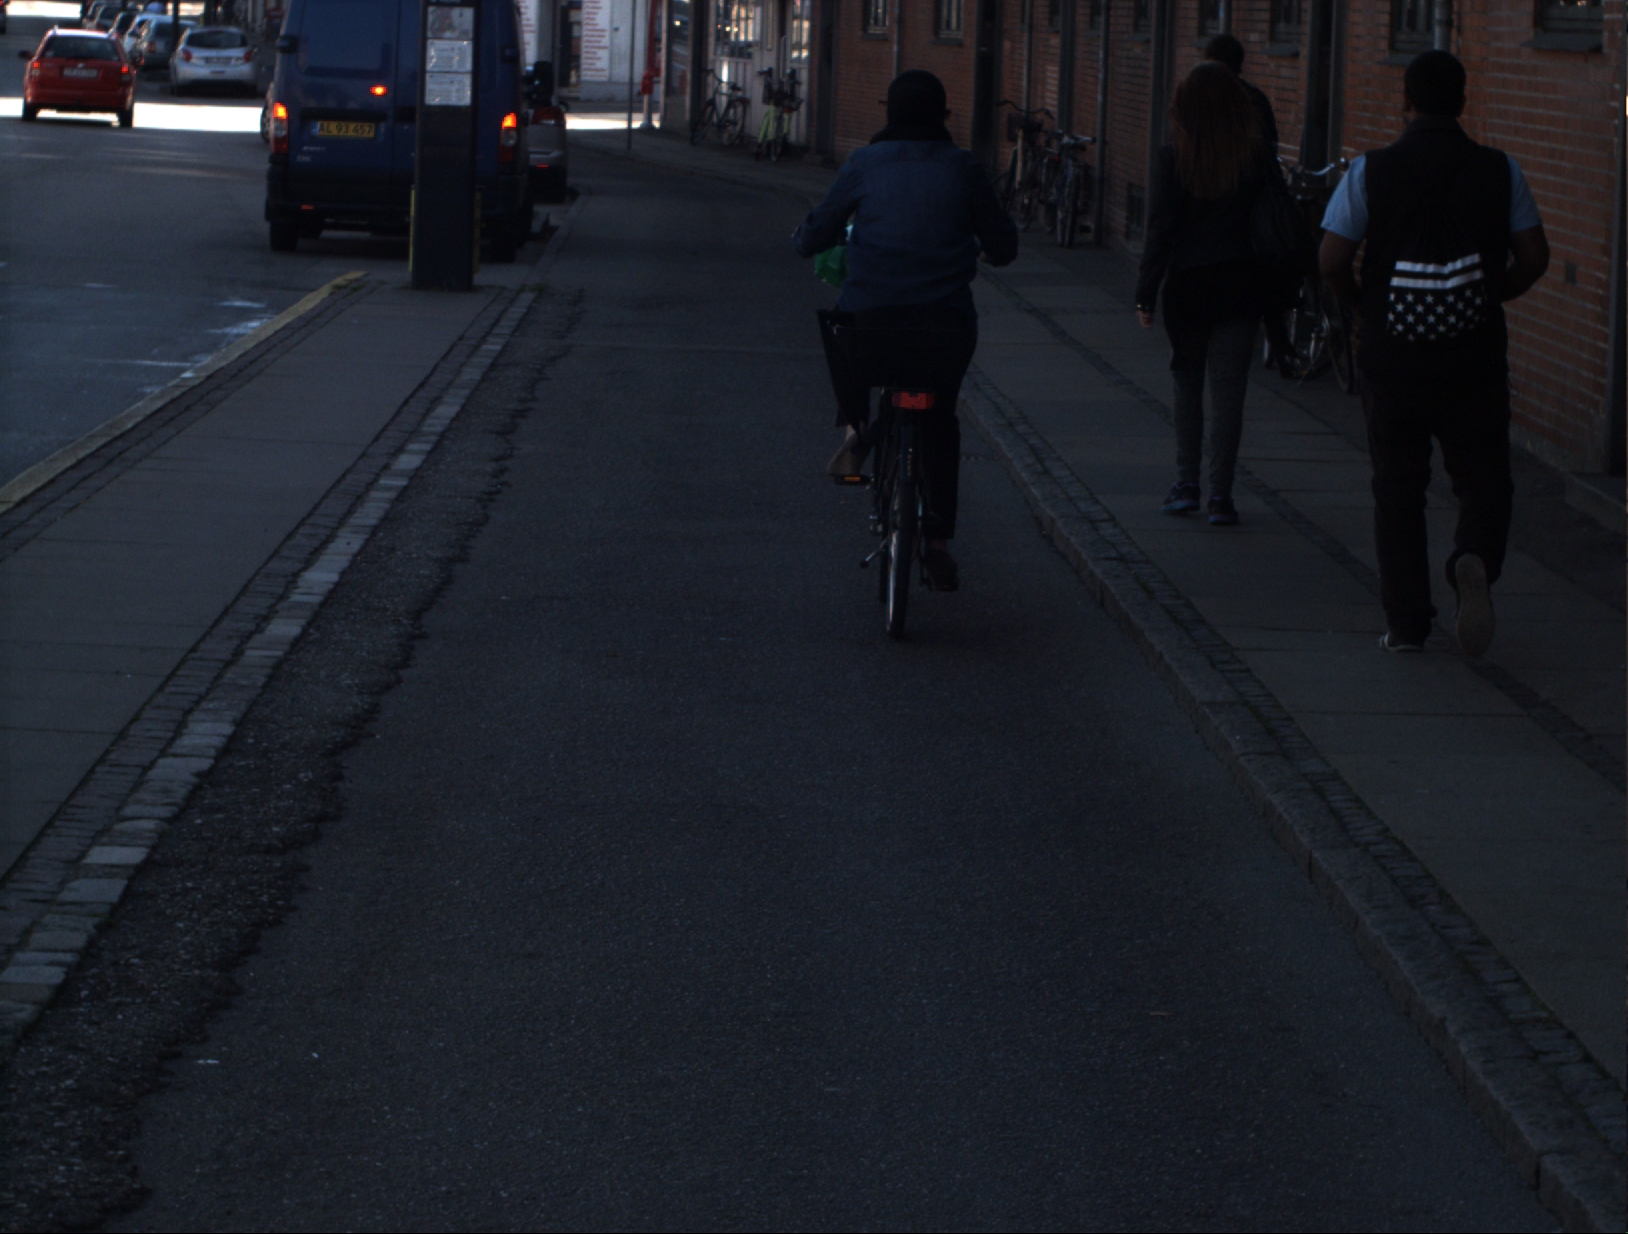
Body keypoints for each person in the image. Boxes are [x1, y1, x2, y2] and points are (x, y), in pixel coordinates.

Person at [1319, 50, 1548, 656]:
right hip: (1473, 357)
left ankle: (1407, 624)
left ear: (1407, 102)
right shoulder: (1500, 170)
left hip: (1393, 358)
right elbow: (1534, 257)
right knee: (1485, 478)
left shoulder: (1369, 171)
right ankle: (1473, 557)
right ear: (1463, 102)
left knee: (1397, 488)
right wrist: (1488, 294)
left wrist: (1362, 305)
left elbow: (1331, 259)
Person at [793, 70, 1018, 591]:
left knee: (847, 339)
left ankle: (858, 428)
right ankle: (937, 543)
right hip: (944, 331)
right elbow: (1004, 246)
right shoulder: (964, 168)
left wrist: (805, 237)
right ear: (942, 116)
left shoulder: (865, 164)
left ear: (889, 114)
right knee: (941, 420)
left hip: (873, 327)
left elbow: (816, 233)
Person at [1135, 61, 1269, 527]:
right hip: (1239, 285)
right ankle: (1221, 496)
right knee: (1230, 394)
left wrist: (1146, 292)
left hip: (1188, 286)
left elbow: (1160, 230)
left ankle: (1186, 482)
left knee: (1187, 386)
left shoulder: (1172, 158)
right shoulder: (1254, 158)